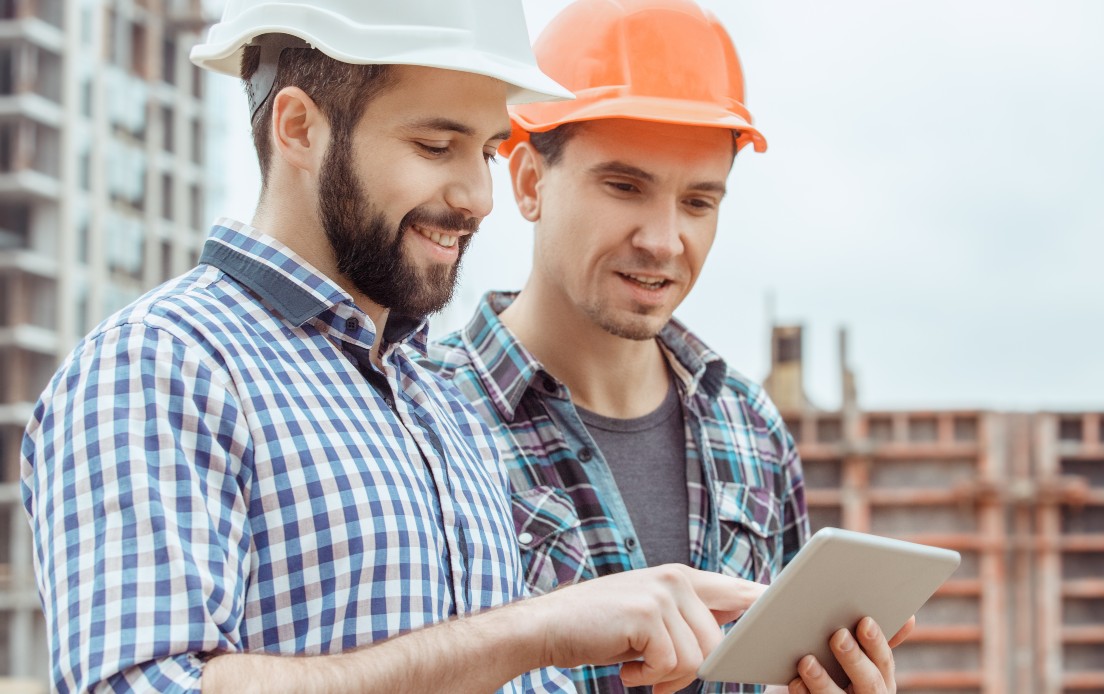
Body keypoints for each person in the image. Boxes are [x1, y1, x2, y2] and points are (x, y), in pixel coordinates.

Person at [19, 1, 768, 692]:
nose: (477, 195)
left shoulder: (432, 400)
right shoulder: (160, 368)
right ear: (299, 129)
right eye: (436, 144)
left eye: (485, 149)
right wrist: (536, 629)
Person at [429, 1, 913, 693]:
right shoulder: (424, 420)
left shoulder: (752, 430)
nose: (663, 240)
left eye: (698, 202)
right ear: (530, 182)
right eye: (625, 187)